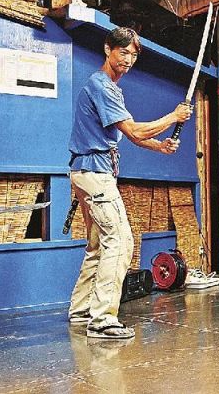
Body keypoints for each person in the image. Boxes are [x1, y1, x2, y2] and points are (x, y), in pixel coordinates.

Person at [67, 27, 191, 339]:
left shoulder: (108, 88)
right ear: (108, 48)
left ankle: (81, 311)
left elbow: (124, 136)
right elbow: (136, 131)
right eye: (123, 52)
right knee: (120, 241)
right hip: (95, 174)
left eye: (134, 55)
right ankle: (102, 319)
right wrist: (173, 117)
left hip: (88, 172)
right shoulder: (103, 87)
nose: (128, 59)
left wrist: (160, 145)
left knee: (97, 245)